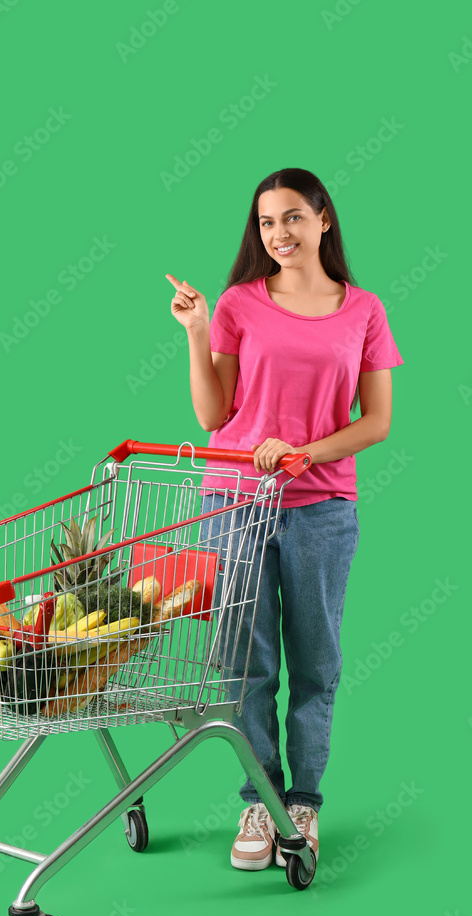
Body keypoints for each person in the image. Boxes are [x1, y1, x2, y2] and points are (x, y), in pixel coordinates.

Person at [165, 167, 404, 871]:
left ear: (324, 219)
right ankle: (261, 798)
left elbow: (379, 422)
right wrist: (198, 328)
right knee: (243, 662)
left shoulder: (364, 310)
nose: (280, 235)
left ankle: (302, 802)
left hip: (322, 507)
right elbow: (213, 417)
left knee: (315, 661)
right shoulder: (239, 302)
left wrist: (305, 454)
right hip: (233, 500)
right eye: (268, 223)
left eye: (293, 218)